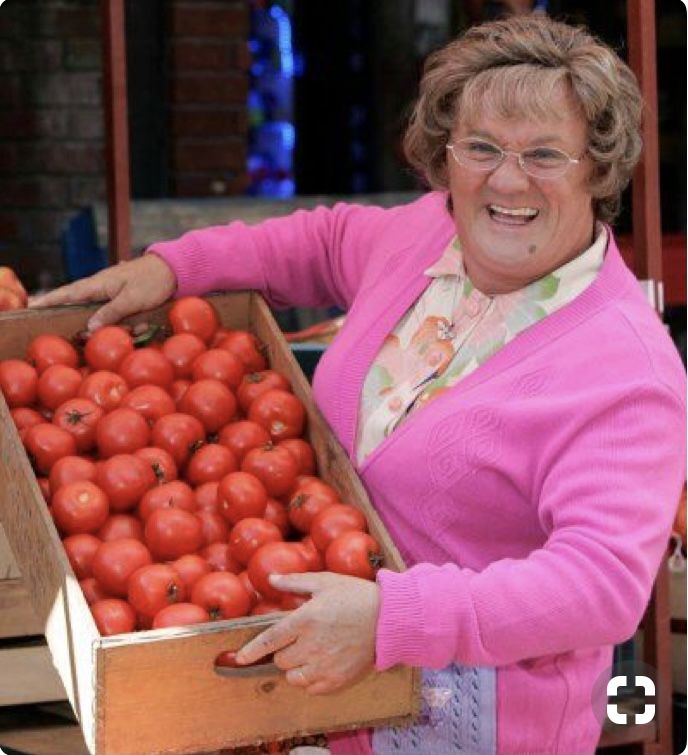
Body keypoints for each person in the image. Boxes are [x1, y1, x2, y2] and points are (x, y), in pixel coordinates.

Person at [31, 14, 686, 755]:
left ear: (597, 170)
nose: (507, 179)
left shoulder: (626, 369)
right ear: (445, 154)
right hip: (320, 690)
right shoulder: (426, 235)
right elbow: (318, 241)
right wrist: (174, 269)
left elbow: (599, 588)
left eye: (543, 154)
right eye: (479, 148)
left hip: (471, 721)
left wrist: (393, 616)